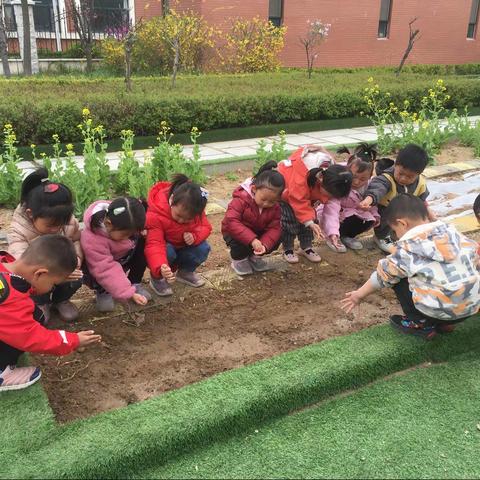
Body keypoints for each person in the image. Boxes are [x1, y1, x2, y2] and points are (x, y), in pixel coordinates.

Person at [341, 194, 480, 340]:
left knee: (395, 276)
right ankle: (446, 324)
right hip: (470, 308)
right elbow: (476, 260)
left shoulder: (408, 249)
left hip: (435, 312)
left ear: (402, 224)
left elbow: (381, 276)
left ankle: (421, 324)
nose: (396, 235)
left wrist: (357, 295)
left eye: (394, 231)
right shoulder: (454, 233)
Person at [0, 235, 101, 391]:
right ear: (40, 274)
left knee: (35, 315)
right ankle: (2, 374)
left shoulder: (6, 267)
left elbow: (22, 286)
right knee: (25, 328)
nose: (52, 288)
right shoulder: (8, 298)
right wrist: (73, 340)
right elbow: (31, 336)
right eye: (53, 284)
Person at [7, 168, 83, 323]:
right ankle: (40, 302)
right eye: (50, 225)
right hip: (37, 275)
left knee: (77, 276)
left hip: (59, 271)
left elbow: (76, 239)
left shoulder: (66, 219)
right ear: (30, 214)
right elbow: (23, 265)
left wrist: (76, 258)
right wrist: (54, 270)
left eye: (60, 224)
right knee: (35, 279)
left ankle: (60, 300)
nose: (56, 229)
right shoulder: (19, 230)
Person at [277, 145, 352, 263]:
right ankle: (288, 249)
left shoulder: (334, 177)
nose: (328, 199)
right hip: (288, 196)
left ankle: (306, 247)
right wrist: (309, 222)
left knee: (310, 223)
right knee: (289, 223)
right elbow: (299, 201)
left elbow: (332, 209)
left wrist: (332, 232)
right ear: (320, 179)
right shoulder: (300, 179)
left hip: (308, 197)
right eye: (328, 194)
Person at [358, 144, 436, 253]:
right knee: (385, 218)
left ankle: (401, 235)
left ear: (419, 174)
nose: (403, 179)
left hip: (405, 211)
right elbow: (377, 189)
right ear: (396, 165)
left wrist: (429, 213)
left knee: (417, 214)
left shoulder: (420, 183)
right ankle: (381, 237)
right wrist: (369, 200)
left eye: (409, 177)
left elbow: (421, 200)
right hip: (386, 210)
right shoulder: (386, 179)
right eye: (400, 173)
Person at [145, 174, 212, 296]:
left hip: (182, 247)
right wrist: (160, 266)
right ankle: (157, 278)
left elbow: (205, 227)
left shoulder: (195, 209)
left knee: (202, 248)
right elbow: (155, 244)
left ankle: (185, 272)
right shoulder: (155, 215)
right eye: (178, 216)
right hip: (163, 250)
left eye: (187, 219)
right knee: (168, 251)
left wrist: (195, 236)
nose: (181, 221)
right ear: (171, 200)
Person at [81, 197, 151, 313]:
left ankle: (134, 283)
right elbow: (105, 268)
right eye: (125, 234)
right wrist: (128, 293)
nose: (128, 237)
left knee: (142, 242)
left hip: (122, 258)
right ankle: (103, 290)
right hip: (100, 268)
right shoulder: (92, 239)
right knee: (106, 304)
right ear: (108, 224)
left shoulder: (124, 216)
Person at [222, 161, 285, 275]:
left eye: (271, 201)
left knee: (279, 235)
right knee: (240, 242)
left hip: (257, 232)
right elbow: (232, 222)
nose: (266, 204)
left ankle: (254, 256)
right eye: (263, 199)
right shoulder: (240, 200)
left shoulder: (275, 207)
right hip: (234, 233)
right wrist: (252, 239)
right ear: (254, 189)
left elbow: (275, 228)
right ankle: (239, 259)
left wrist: (264, 244)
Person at [321, 143, 380, 252]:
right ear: (347, 169)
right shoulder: (340, 184)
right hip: (335, 215)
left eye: (363, 179)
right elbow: (331, 210)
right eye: (354, 177)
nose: (357, 182)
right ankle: (333, 236)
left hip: (353, 213)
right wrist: (332, 232)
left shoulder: (369, 186)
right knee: (345, 217)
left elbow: (373, 203)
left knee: (368, 219)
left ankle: (347, 236)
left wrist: (375, 215)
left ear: (370, 176)